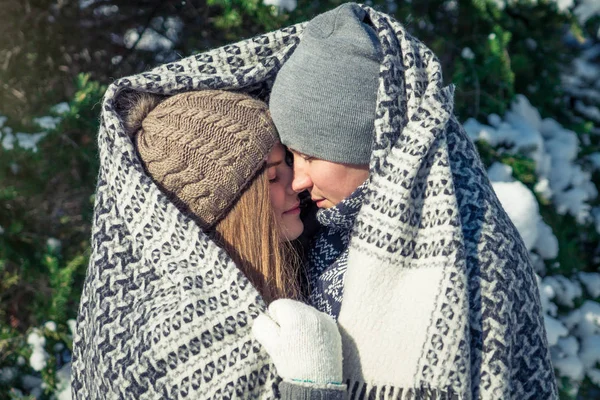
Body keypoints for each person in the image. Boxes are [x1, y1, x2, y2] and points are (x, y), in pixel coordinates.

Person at [266, 2, 558, 399]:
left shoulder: (472, 257)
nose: (297, 179)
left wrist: (311, 385)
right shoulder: (318, 227)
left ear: (373, 145)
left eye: (311, 156)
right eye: (290, 156)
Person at [71, 89, 345, 399]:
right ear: (230, 210)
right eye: (271, 176)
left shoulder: (313, 250)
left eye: (291, 161)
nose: (296, 181)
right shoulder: (184, 347)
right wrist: (311, 386)